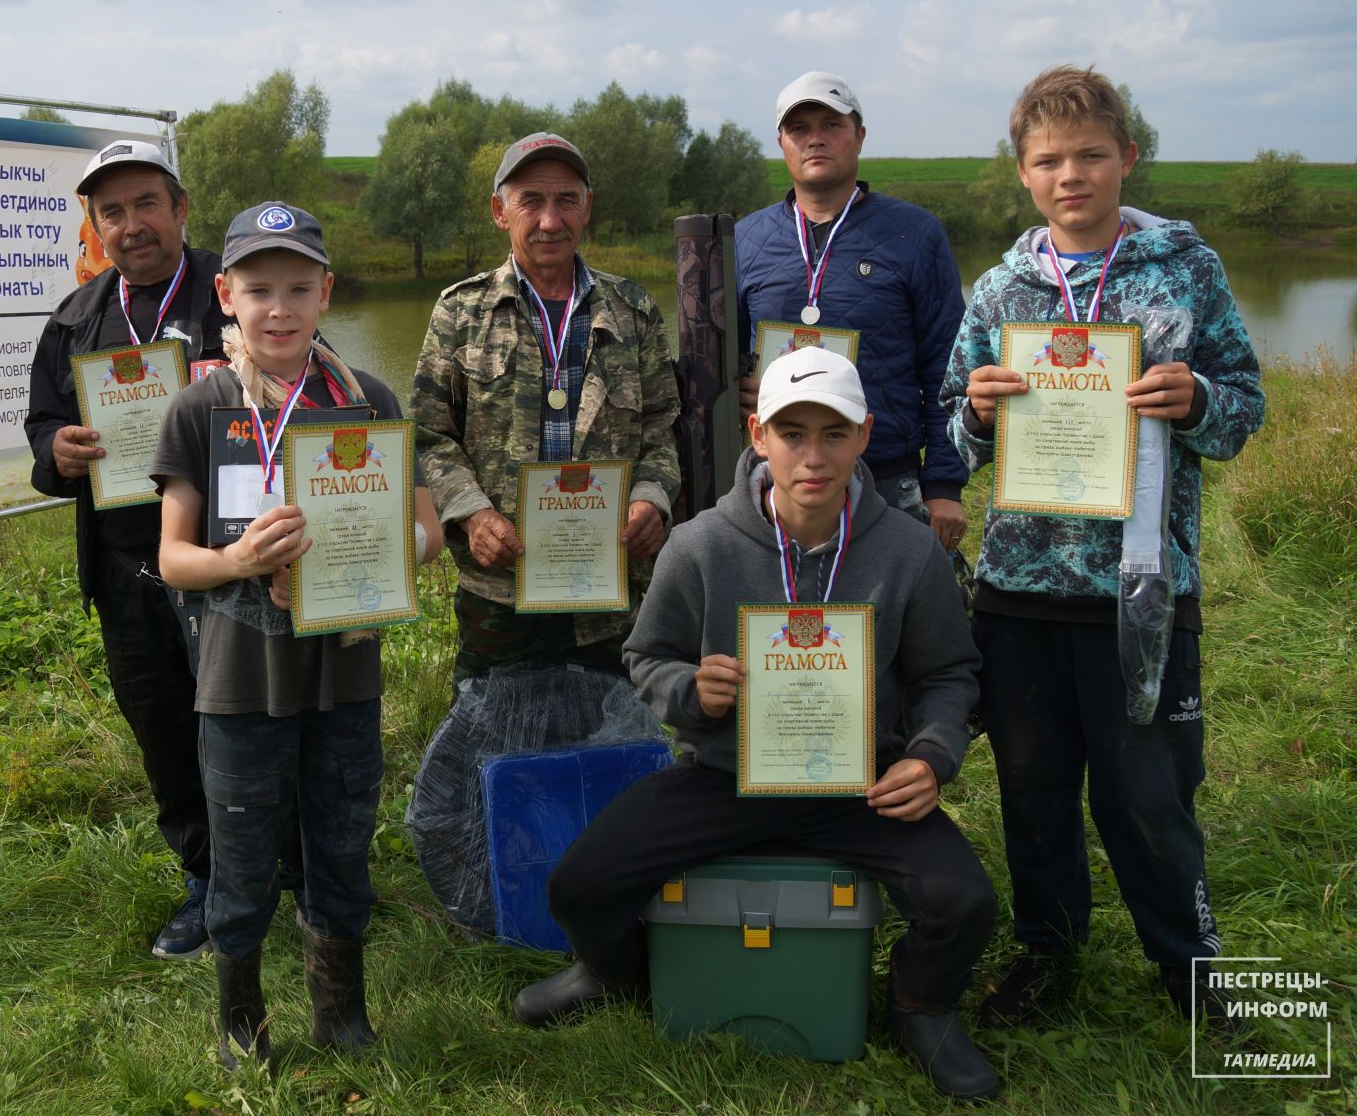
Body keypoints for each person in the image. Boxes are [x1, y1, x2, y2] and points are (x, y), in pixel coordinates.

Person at [516, 346, 1001, 1102]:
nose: (814, 456)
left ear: (866, 435)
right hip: (723, 775)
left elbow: (948, 673)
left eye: (834, 434)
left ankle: (922, 1005)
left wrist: (932, 756)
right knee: (581, 886)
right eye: (792, 433)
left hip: (858, 783)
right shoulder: (699, 545)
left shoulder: (909, 551)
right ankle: (614, 972)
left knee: (966, 904)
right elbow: (649, 656)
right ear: (757, 433)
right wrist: (692, 692)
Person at [941, 65, 1264, 1026]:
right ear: (1024, 174)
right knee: (1034, 794)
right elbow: (955, 430)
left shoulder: (1186, 269)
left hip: (1142, 589)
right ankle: (1049, 956)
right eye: (1048, 161)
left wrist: (1197, 399)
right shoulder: (1001, 287)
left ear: (1126, 157)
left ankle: (1190, 973)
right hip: (1019, 587)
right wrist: (983, 414)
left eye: (1089, 155)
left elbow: (1243, 404)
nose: (1069, 175)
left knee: (1149, 796)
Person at [153, 201, 444, 1066]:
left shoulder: (368, 399)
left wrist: (386, 551)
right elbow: (172, 559)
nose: (278, 309)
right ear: (225, 295)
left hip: (345, 677)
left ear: (327, 293)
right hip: (240, 683)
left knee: (343, 843)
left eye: (296, 289)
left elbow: (427, 532)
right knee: (241, 855)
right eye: (257, 289)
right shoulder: (199, 408)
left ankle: (340, 1011)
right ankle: (241, 1018)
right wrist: (240, 559)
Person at [23, 139, 234, 960]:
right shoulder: (76, 321)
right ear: (95, 226)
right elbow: (41, 426)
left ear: (180, 207)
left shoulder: (233, 294)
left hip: (228, 563)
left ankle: (286, 863)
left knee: (251, 720)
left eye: (146, 203)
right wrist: (58, 453)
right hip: (126, 575)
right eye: (112, 212)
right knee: (165, 735)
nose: (131, 224)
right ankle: (207, 880)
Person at [412, 132, 680, 680]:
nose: (550, 220)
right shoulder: (459, 312)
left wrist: (652, 500)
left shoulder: (635, 312)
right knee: (495, 748)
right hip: (500, 592)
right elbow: (429, 435)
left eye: (566, 201)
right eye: (531, 200)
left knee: (611, 748)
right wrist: (470, 512)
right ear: (499, 211)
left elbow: (663, 429)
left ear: (587, 209)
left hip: (613, 588)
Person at [735, 72, 969, 551]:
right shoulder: (745, 239)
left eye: (832, 124)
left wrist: (944, 484)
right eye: (799, 128)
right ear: (781, 141)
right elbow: (724, 358)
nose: (815, 138)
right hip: (781, 479)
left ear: (859, 135)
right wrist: (733, 390)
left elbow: (948, 364)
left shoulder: (915, 234)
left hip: (887, 477)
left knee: (894, 620)